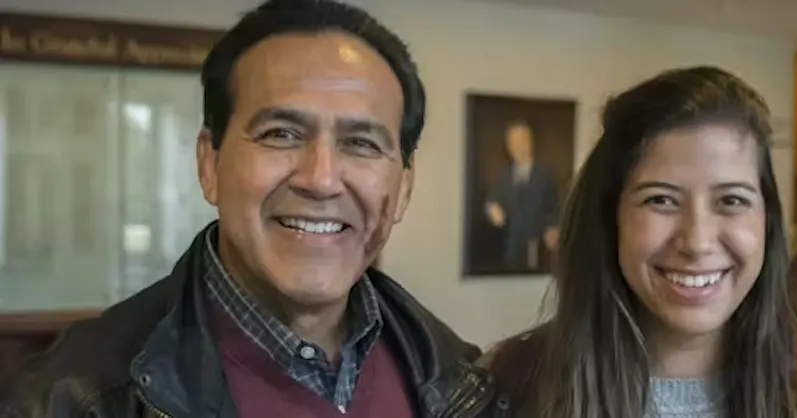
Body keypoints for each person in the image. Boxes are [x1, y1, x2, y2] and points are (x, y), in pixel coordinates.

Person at [0, 1, 505, 417]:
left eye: (362, 143)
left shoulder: (463, 381)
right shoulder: (72, 398)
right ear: (209, 164)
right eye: (281, 134)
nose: (322, 178)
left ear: (404, 186)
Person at [476, 66, 797, 418]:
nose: (697, 241)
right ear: (610, 218)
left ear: (768, 220)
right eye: (660, 200)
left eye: (732, 200)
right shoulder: (512, 386)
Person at [484, 119, 561, 270]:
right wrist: (491, 207)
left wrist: (553, 227)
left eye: (521, 141)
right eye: (513, 142)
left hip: (536, 246)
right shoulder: (504, 175)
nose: (517, 147)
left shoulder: (545, 174)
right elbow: (493, 198)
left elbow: (556, 206)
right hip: (510, 246)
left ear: (530, 142)